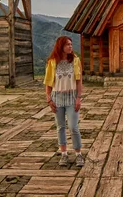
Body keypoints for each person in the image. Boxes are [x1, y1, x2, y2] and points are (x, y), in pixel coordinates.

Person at [44, 36, 84, 167]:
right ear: (60, 46)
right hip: (57, 97)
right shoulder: (52, 62)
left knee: (73, 127)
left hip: (72, 97)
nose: (70, 47)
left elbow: (79, 81)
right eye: (67, 44)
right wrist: (49, 98)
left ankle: (78, 154)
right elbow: (48, 82)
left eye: (71, 44)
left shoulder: (75, 61)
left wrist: (78, 97)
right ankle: (64, 154)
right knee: (60, 127)